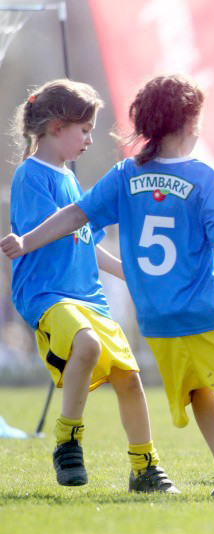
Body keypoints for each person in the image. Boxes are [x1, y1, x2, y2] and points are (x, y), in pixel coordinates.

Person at [1, 75, 214, 498]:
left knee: (200, 389)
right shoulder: (202, 177)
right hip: (208, 309)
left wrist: (26, 241)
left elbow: (76, 217)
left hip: (159, 320)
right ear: (188, 125)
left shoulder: (126, 173)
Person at [3, 79, 177, 493]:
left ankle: (145, 468)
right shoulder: (32, 176)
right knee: (88, 346)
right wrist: (26, 241)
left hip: (88, 298)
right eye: (84, 129)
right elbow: (51, 230)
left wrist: (130, 276)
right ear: (56, 127)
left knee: (129, 378)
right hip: (47, 296)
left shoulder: (70, 180)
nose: (90, 138)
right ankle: (68, 441)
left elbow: (87, 241)